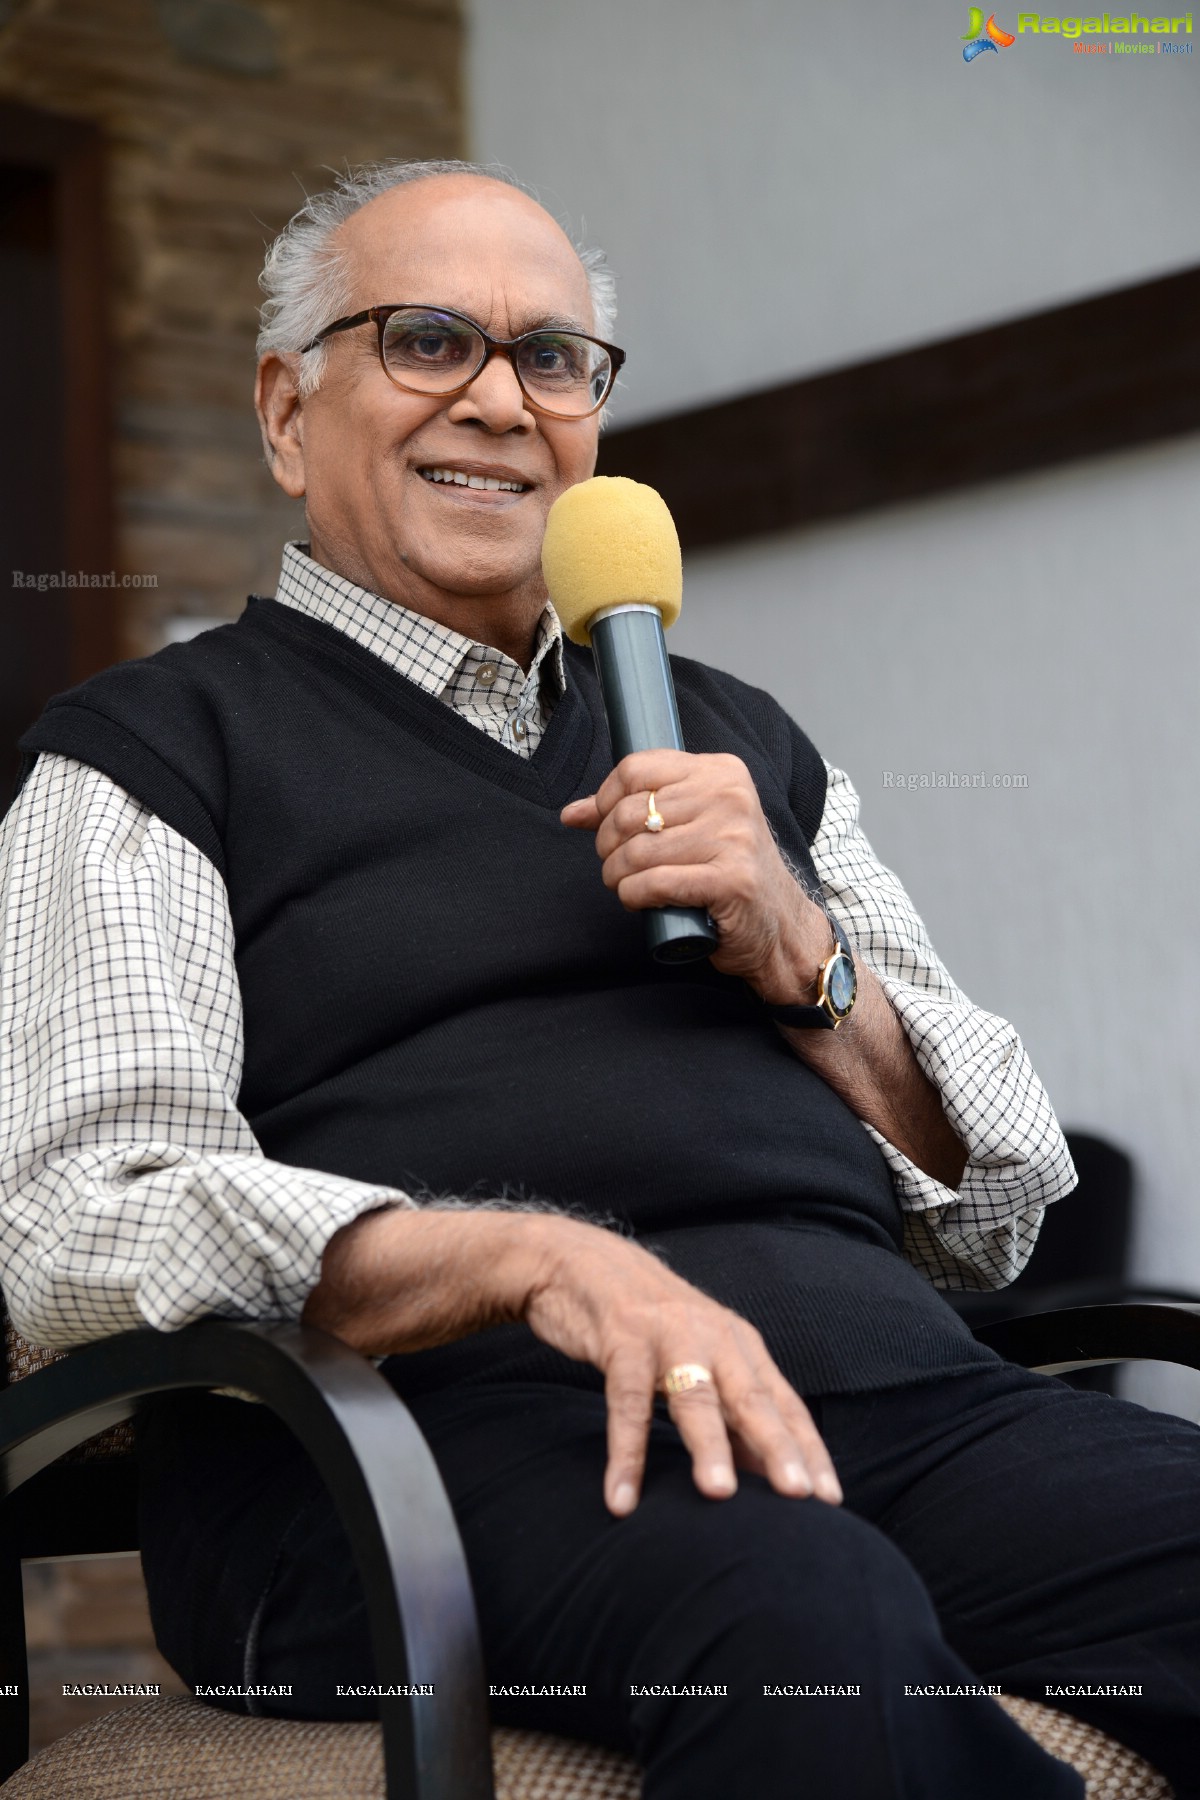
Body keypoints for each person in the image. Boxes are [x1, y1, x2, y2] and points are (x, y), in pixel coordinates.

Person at [1, 159, 1197, 1800]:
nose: (503, 401)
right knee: (799, 1607)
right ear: (288, 413)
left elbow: (1000, 1207)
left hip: (890, 1399)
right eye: (429, 341)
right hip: (423, 1458)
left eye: (554, 358)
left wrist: (808, 954)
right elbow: (72, 1223)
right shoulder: (152, 755)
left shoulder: (736, 739)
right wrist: (525, 1259)